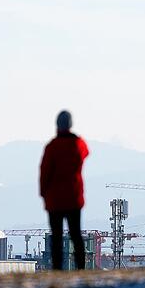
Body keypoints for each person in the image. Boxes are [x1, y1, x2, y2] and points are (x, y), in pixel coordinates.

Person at [40, 110, 90, 270]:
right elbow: (86, 151)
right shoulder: (77, 144)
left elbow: (44, 172)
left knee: (56, 236)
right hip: (74, 197)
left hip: (54, 199)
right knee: (76, 234)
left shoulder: (52, 147)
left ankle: (57, 268)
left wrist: (43, 193)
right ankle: (81, 267)